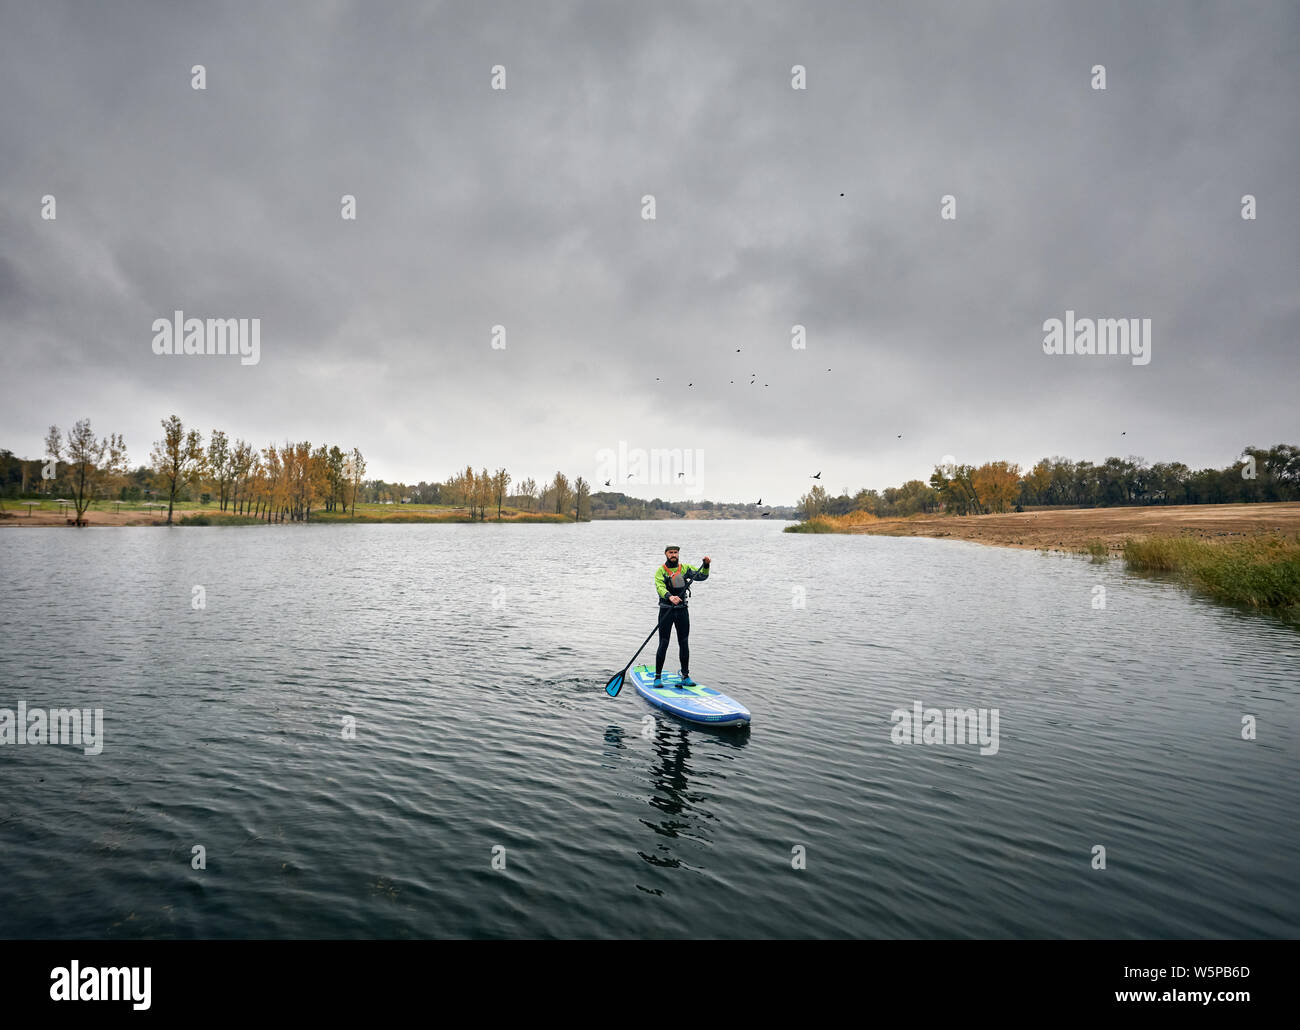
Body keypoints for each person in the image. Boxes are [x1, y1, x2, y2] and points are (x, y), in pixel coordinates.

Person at [654, 545, 710, 687]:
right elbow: (659, 587)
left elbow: (702, 576)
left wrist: (706, 565)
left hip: (682, 611)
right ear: (666, 554)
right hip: (666, 611)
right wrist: (669, 596)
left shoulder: (685, 568)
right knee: (664, 643)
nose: (673, 555)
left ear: (678, 554)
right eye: (671, 552)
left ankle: (685, 676)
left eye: (676, 552)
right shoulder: (661, 571)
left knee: (684, 643)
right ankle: (657, 677)